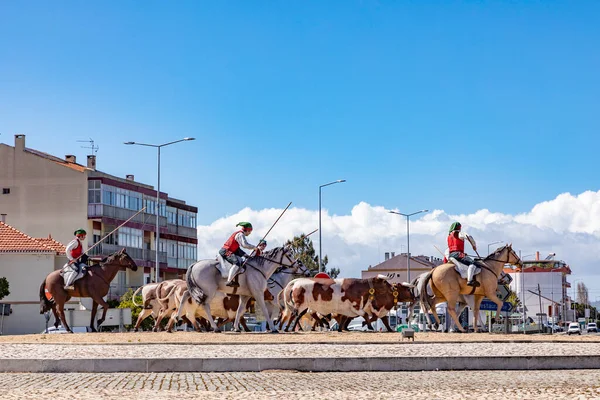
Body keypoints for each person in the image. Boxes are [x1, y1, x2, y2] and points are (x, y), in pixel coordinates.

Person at [219, 222, 258, 287]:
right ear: (247, 230)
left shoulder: (239, 234)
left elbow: (237, 249)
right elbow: (245, 245)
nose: (250, 233)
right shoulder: (240, 235)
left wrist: (245, 255)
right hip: (226, 251)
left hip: (229, 250)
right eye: (250, 231)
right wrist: (254, 247)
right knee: (236, 263)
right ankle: (229, 281)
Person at [447, 222, 479, 287]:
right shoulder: (459, 234)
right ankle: (470, 280)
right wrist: (474, 245)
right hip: (458, 254)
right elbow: (468, 236)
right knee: (473, 263)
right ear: (459, 227)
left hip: (451, 254)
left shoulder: (449, 236)